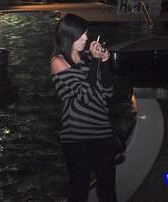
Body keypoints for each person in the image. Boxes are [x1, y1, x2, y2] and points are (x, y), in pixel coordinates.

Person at [50, 13, 116, 202]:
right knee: (79, 193)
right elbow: (84, 96)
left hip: (103, 133)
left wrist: (103, 62)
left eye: (87, 33)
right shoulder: (58, 62)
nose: (86, 38)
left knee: (108, 192)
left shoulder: (87, 57)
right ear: (69, 35)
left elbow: (108, 92)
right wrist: (96, 61)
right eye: (82, 34)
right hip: (76, 138)